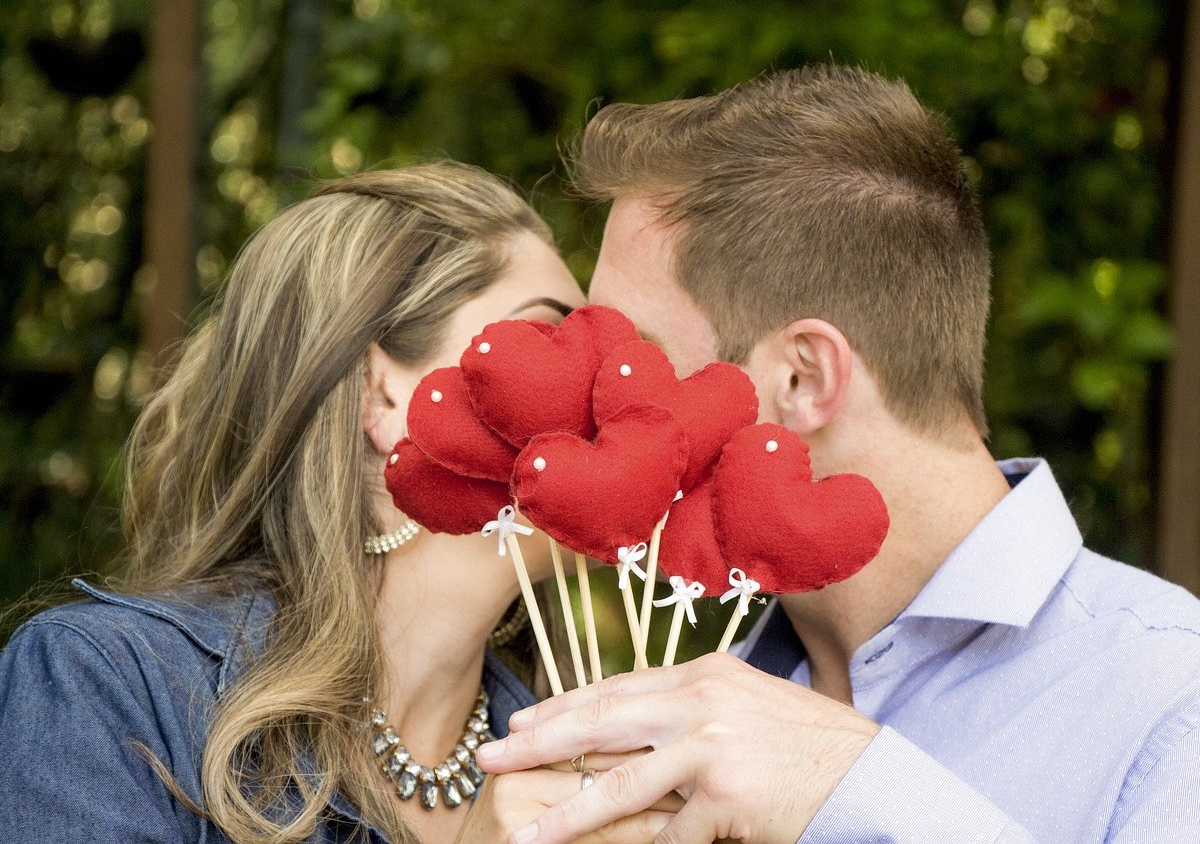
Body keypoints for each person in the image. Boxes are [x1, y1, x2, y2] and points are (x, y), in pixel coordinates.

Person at [476, 65, 1200, 843]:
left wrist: (861, 790)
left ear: (802, 378)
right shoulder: (680, 707)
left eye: (638, 355)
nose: (593, 412)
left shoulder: (1171, 698)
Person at [0, 162, 673, 843]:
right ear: (379, 395)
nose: (607, 393)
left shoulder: (584, 750)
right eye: (553, 341)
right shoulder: (110, 692)